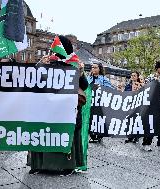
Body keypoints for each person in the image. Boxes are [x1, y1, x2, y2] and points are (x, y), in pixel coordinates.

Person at [29, 35, 88, 176]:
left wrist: (81, 73)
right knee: (44, 134)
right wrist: (39, 66)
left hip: (66, 111)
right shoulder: (47, 63)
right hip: (47, 110)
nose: (53, 49)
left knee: (65, 135)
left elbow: (84, 86)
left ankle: (68, 166)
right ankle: (39, 165)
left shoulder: (73, 65)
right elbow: (32, 81)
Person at [87, 62, 113, 143]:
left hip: (100, 103)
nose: (93, 69)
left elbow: (110, 89)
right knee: (90, 118)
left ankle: (99, 135)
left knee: (99, 119)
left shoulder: (104, 79)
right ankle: (92, 135)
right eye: (92, 67)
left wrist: (100, 87)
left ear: (99, 69)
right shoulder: (89, 78)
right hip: (90, 103)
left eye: (95, 67)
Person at [124, 71, 142, 144]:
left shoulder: (140, 85)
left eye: (134, 75)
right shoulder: (128, 85)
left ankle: (136, 137)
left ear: (137, 77)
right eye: (132, 75)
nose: (133, 77)